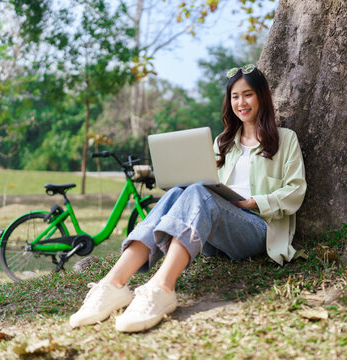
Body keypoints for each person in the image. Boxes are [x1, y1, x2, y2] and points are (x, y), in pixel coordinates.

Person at [69, 64, 307, 333]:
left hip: (258, 228)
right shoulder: (223, 142)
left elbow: (295, 190)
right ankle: (112, 285)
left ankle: (161, 288)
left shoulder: (285, 139)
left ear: (262, 96)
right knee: (178, 191)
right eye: (235, 96)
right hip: (217, 229)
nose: (241, 102)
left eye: (248, 94)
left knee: (199, 193)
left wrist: (252, 202)